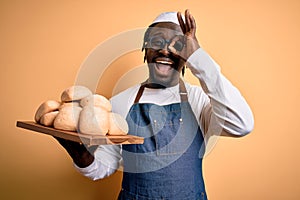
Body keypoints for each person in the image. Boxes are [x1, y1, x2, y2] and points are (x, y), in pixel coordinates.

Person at [56, 10, 254, 200]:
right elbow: (105, 165)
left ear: (186, 56)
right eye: (157, 41)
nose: (165, 50)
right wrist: (81, 156)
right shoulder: (121, 101)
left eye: (177, 45)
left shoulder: (199, 100)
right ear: (145, 48)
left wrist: (199, 58)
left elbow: (241, 124)